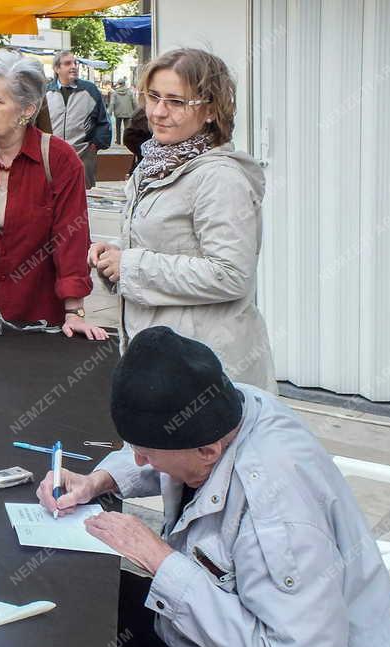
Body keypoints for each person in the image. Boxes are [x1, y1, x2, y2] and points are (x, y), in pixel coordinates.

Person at [37, 326, 390, 647]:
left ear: (207, 450)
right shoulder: (227, 408)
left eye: (146, 454)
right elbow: (167, 447)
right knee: (82, 606)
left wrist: (162, 561)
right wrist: (97, 481)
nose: (138, 462)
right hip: (232, 637)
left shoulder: (276, 518)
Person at [88, 48, 276, 391]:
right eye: (154, 96)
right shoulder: (153, 165)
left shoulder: (220, 178)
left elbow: (231, 274)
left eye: (176, 101)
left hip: (204, 366)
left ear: (209, 110)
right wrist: (113, 254)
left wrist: (129, 265)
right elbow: (167, 243)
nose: (158, 112)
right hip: (162, 358)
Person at [0, 51, 105, 339]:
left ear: (27, 110)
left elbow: (71, 236)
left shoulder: (60, 159)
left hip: (38, 310)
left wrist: (75, 311)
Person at [45, 51, 112, 190]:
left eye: (75, 63)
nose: (74, 66)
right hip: (52, 158)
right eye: (68, 63)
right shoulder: (46, 92)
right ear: (57, 69)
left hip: (83, 156)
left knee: (83, 199)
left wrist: (94, 147)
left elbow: (103, 121)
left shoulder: (90, 90)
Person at [122, 107, 150, 176]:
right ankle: (135, 175)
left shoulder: (144, 108)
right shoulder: (147, 109)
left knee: (141, 156)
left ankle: (133, 174)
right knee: (144, 157)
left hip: (133, 134)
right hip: (137, 135)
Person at [109, 78, 137, 145]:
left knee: (118, 128)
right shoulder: (130, 92)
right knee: (126, 128)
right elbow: (134, 102)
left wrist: (110, 112)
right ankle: (125, 142)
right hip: (128, 112)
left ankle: (118, 141)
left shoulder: (115, 93)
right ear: (124, 83)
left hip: (118, 113)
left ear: (119, 84)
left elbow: (112, 103)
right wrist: (136, 111)